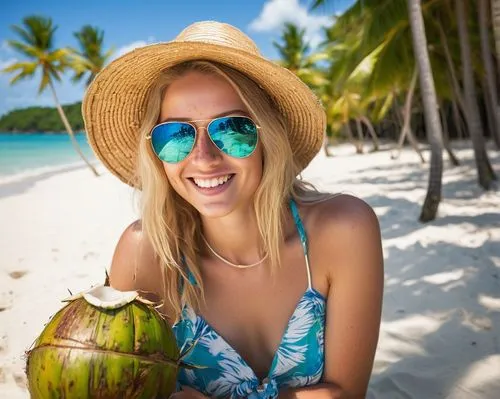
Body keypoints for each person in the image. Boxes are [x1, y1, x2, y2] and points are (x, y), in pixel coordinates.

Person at [82, 21, 384, 399]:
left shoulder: (343, 230)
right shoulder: (145, 253)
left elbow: (347, 393)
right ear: (155, 153)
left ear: (267, 136)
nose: (204, 157)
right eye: (176, 135)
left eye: (232, 129)